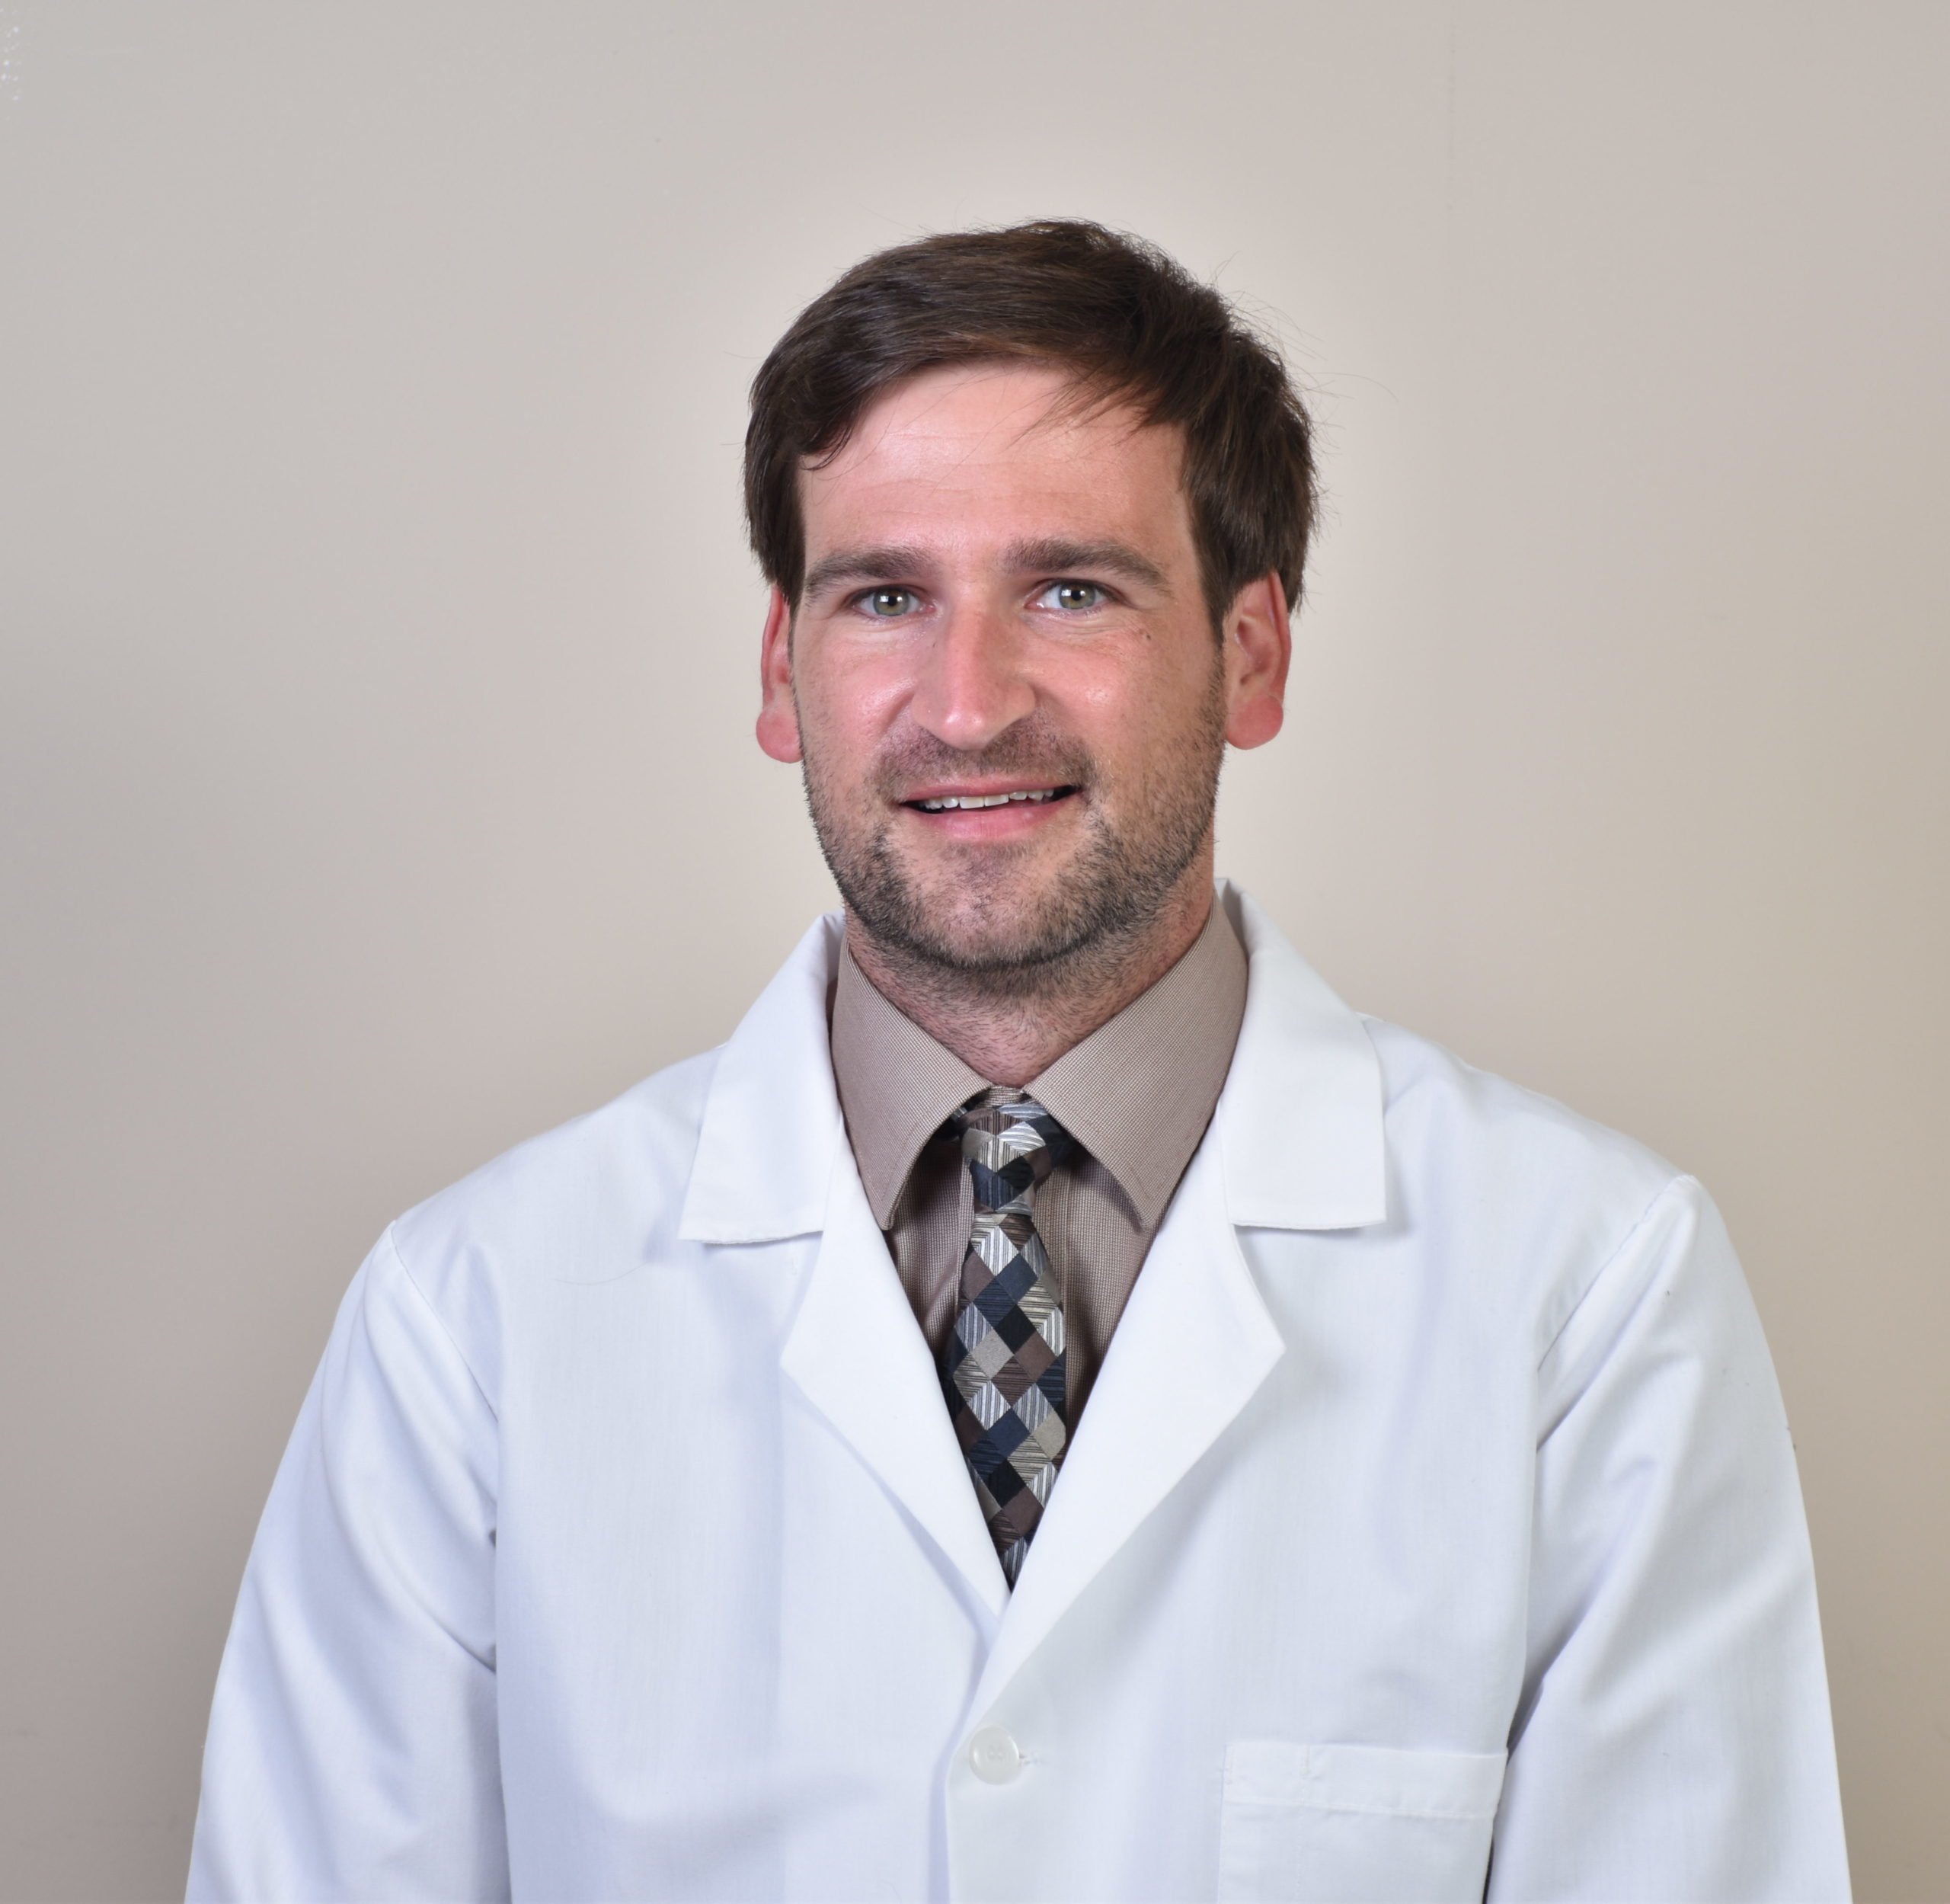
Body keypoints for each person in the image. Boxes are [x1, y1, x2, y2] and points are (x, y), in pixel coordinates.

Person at [187, 221, 1849, 1902]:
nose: (966, 704)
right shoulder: (472, 1314)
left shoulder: (1583, 1290)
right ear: (783, 668)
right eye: (884, 595)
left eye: (1070, 587)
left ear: (1250, 652)